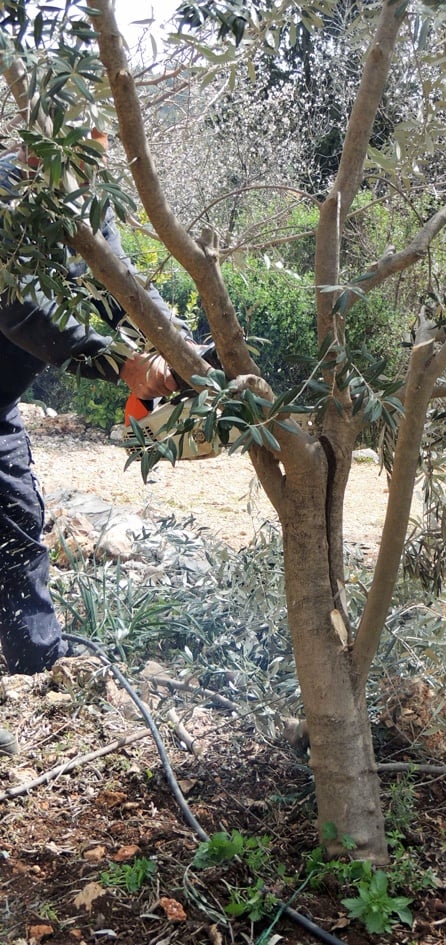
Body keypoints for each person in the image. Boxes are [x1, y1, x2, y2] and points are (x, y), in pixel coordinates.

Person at [0, 131, 185, 703]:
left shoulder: (87, 206)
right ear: (36, 145)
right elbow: (21, 310)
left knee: (17, 520)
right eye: (75, 151)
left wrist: (172, 346)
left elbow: (119, 288)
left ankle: (37, 669)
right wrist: (119, 363)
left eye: (96, 154)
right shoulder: (5, 194)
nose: (88, 165)